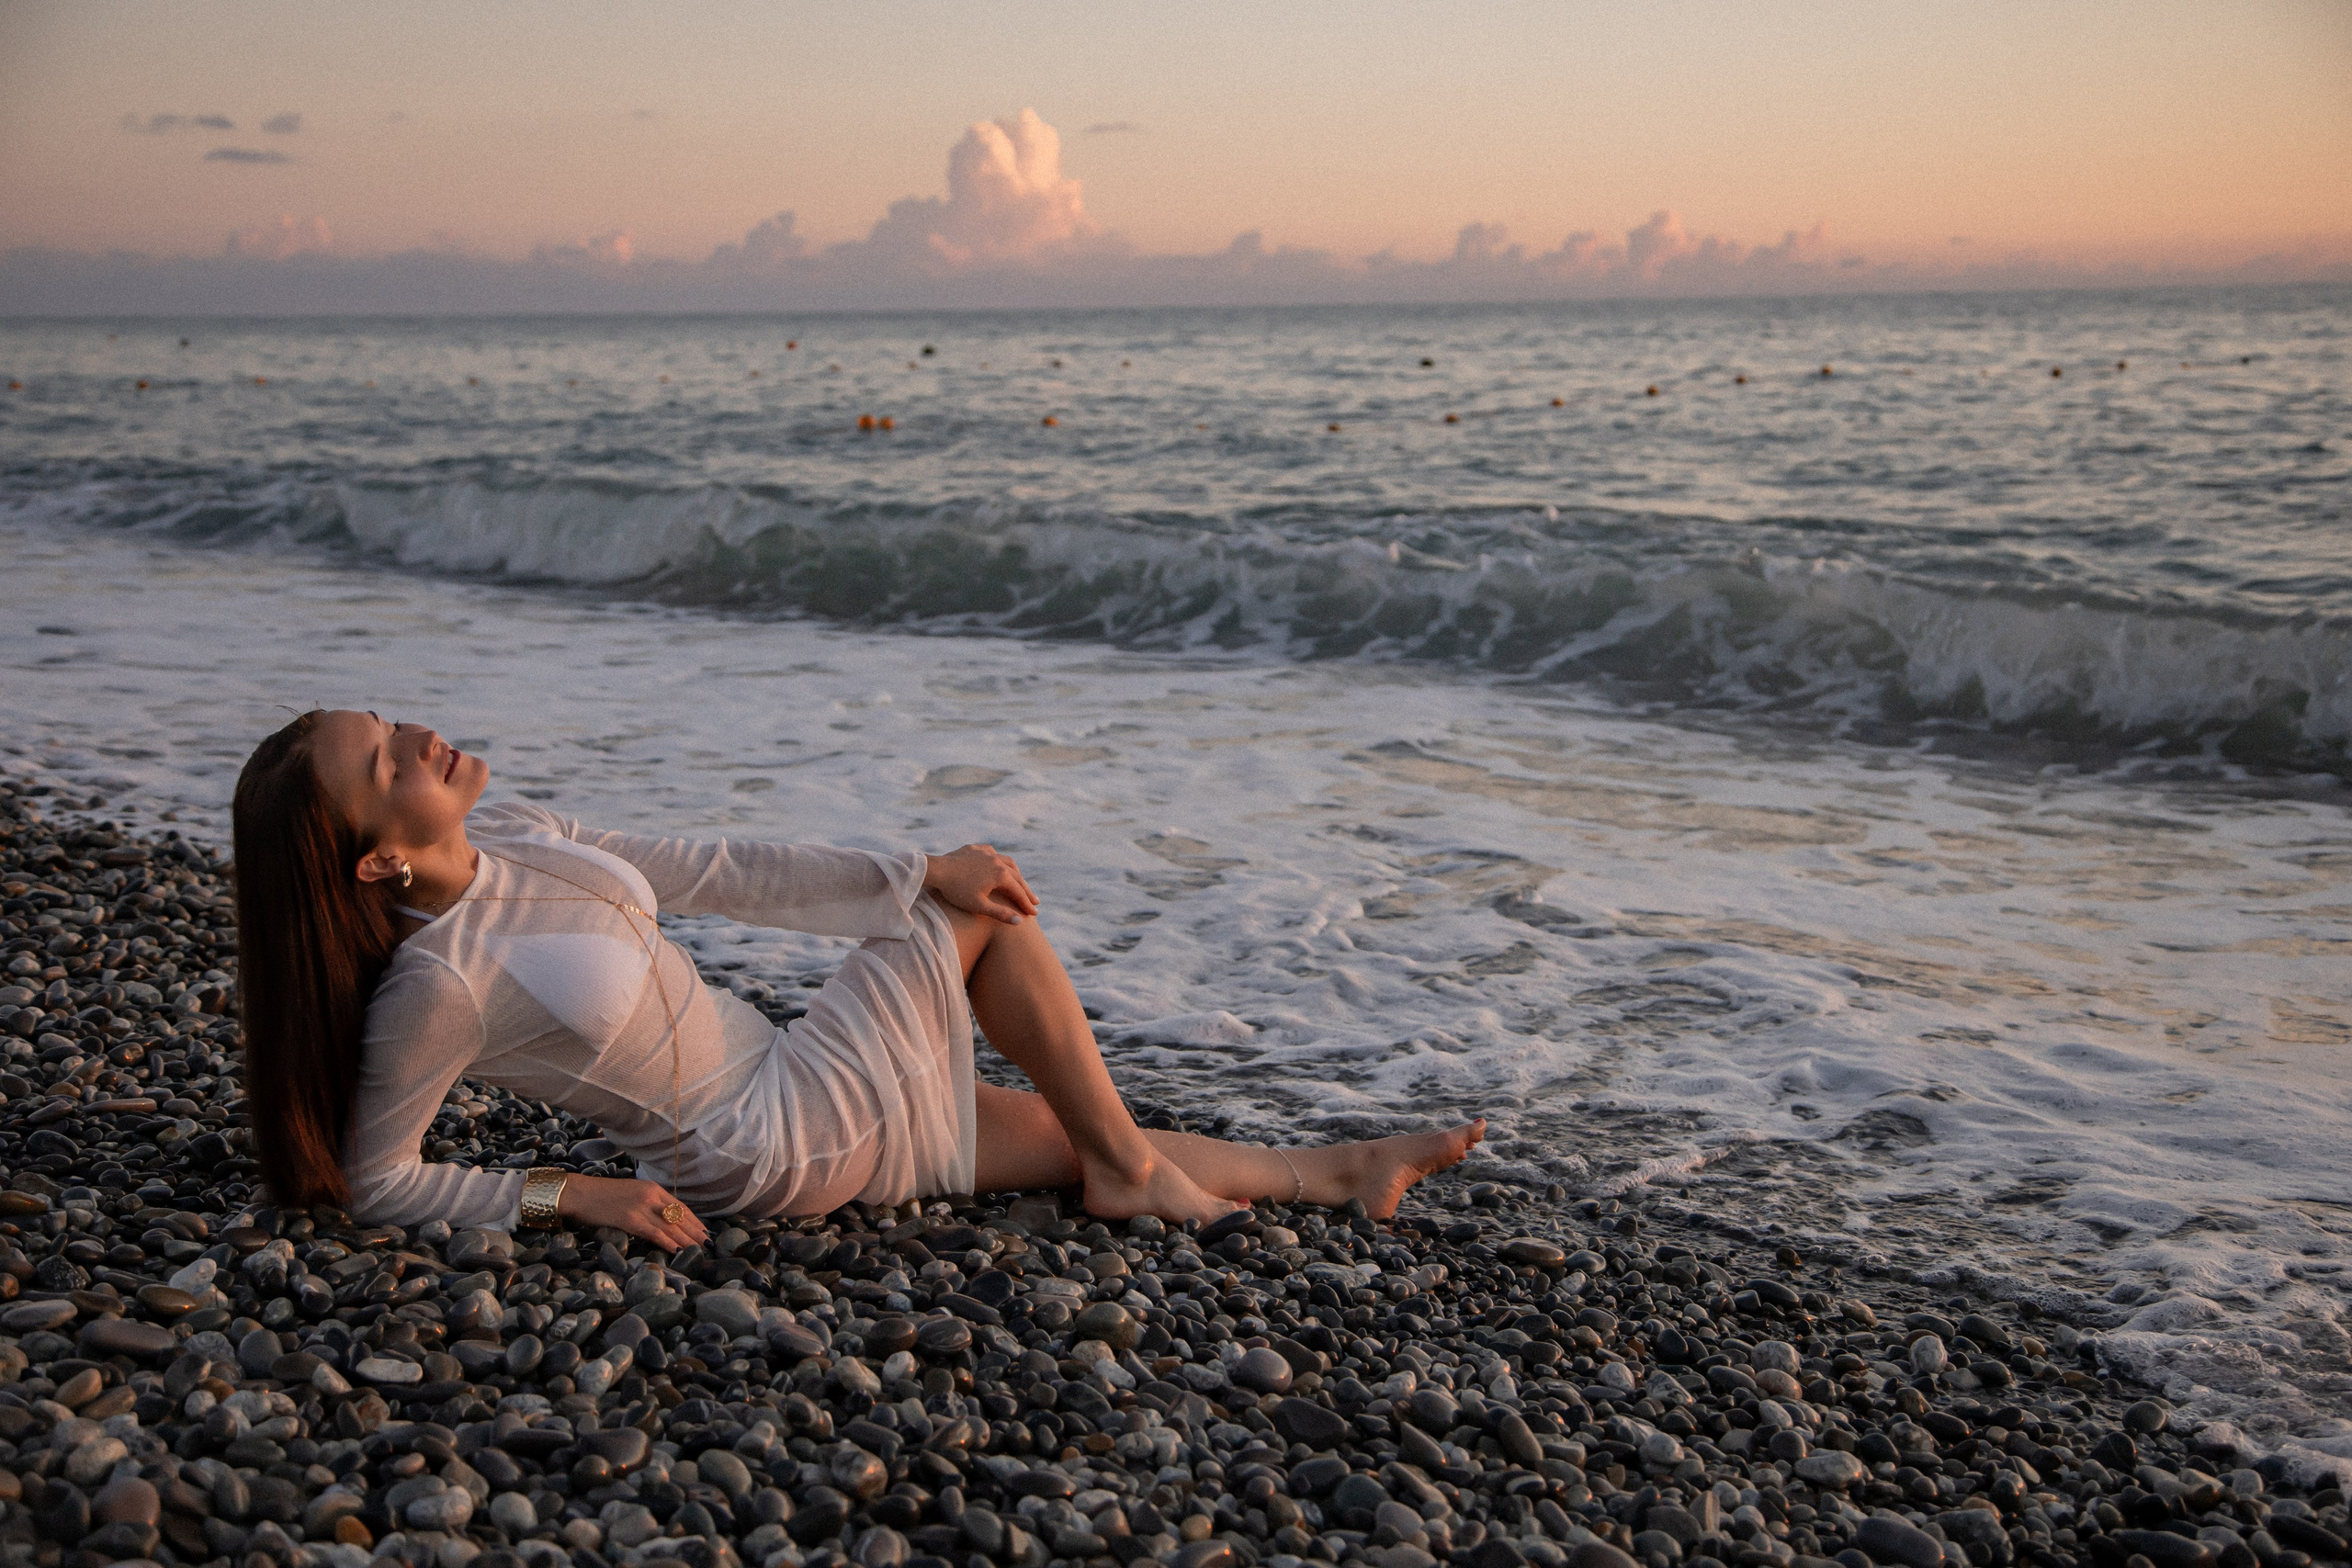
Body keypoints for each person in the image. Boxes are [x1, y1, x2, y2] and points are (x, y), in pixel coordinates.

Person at [231, 708, 1484, 1248]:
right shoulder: (435, 986)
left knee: (1054, 1124)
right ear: (379, 862)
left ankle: (1339, 1174)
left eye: (394, 727)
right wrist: (574, 1198)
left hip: (785, 1073)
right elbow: (375, 1179)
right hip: (759, 1144)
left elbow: (717, 869)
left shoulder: (525, 841)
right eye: (390, 760)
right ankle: (1129, 1173)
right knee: (978, 918)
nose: (422, 741)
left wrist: (905, 863)